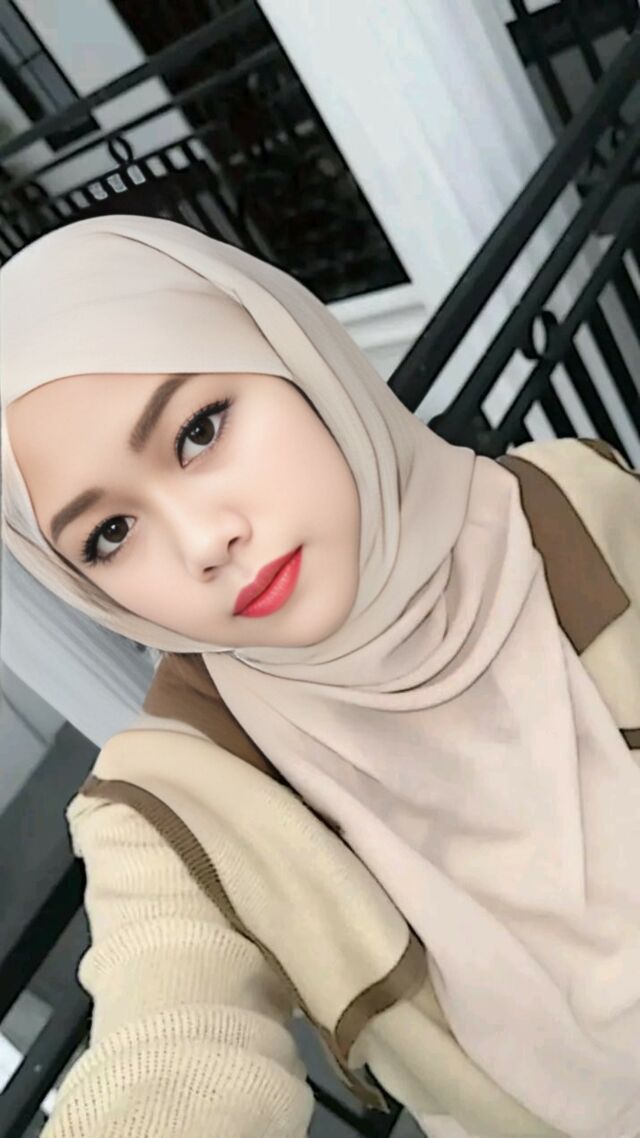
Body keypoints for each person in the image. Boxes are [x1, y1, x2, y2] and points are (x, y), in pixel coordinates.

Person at [1, 214, 639, 1138]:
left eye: (198, 430)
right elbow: (171, 1046)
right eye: (109, 534)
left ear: (294, 356)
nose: (204, 540)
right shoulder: (167, 801)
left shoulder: (570, 501)